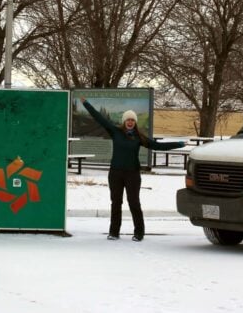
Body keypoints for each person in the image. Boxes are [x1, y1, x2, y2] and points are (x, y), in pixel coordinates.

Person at [79, 96, 186, 241]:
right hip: (115, 173)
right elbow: (99, 118)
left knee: (134, 202)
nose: (130, 122)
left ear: (135, 122)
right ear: (124, 121)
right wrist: (86, 104)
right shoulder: (115, 132)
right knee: (116, 203)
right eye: (128, 120)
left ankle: (139, 233)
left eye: (133, 120)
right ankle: (114, 232)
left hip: (132, 174)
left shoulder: (139, 137)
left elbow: (158, 146)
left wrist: (178, 144)